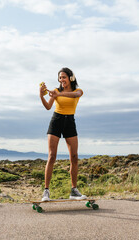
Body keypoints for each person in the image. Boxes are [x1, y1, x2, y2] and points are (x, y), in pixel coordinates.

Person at [39, 67, 87, 201]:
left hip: (70, 122)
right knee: (52, 156)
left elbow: (75, 96)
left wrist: (58, 95)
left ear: (71, 78)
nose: (61, 80)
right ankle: (46, 191)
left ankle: (74, 191)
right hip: (56, 121)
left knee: (74, 157)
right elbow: (48, 107)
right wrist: (41, 96)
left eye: (64, 77)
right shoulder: (55, 91)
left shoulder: (78, 91)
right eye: (60, 78)